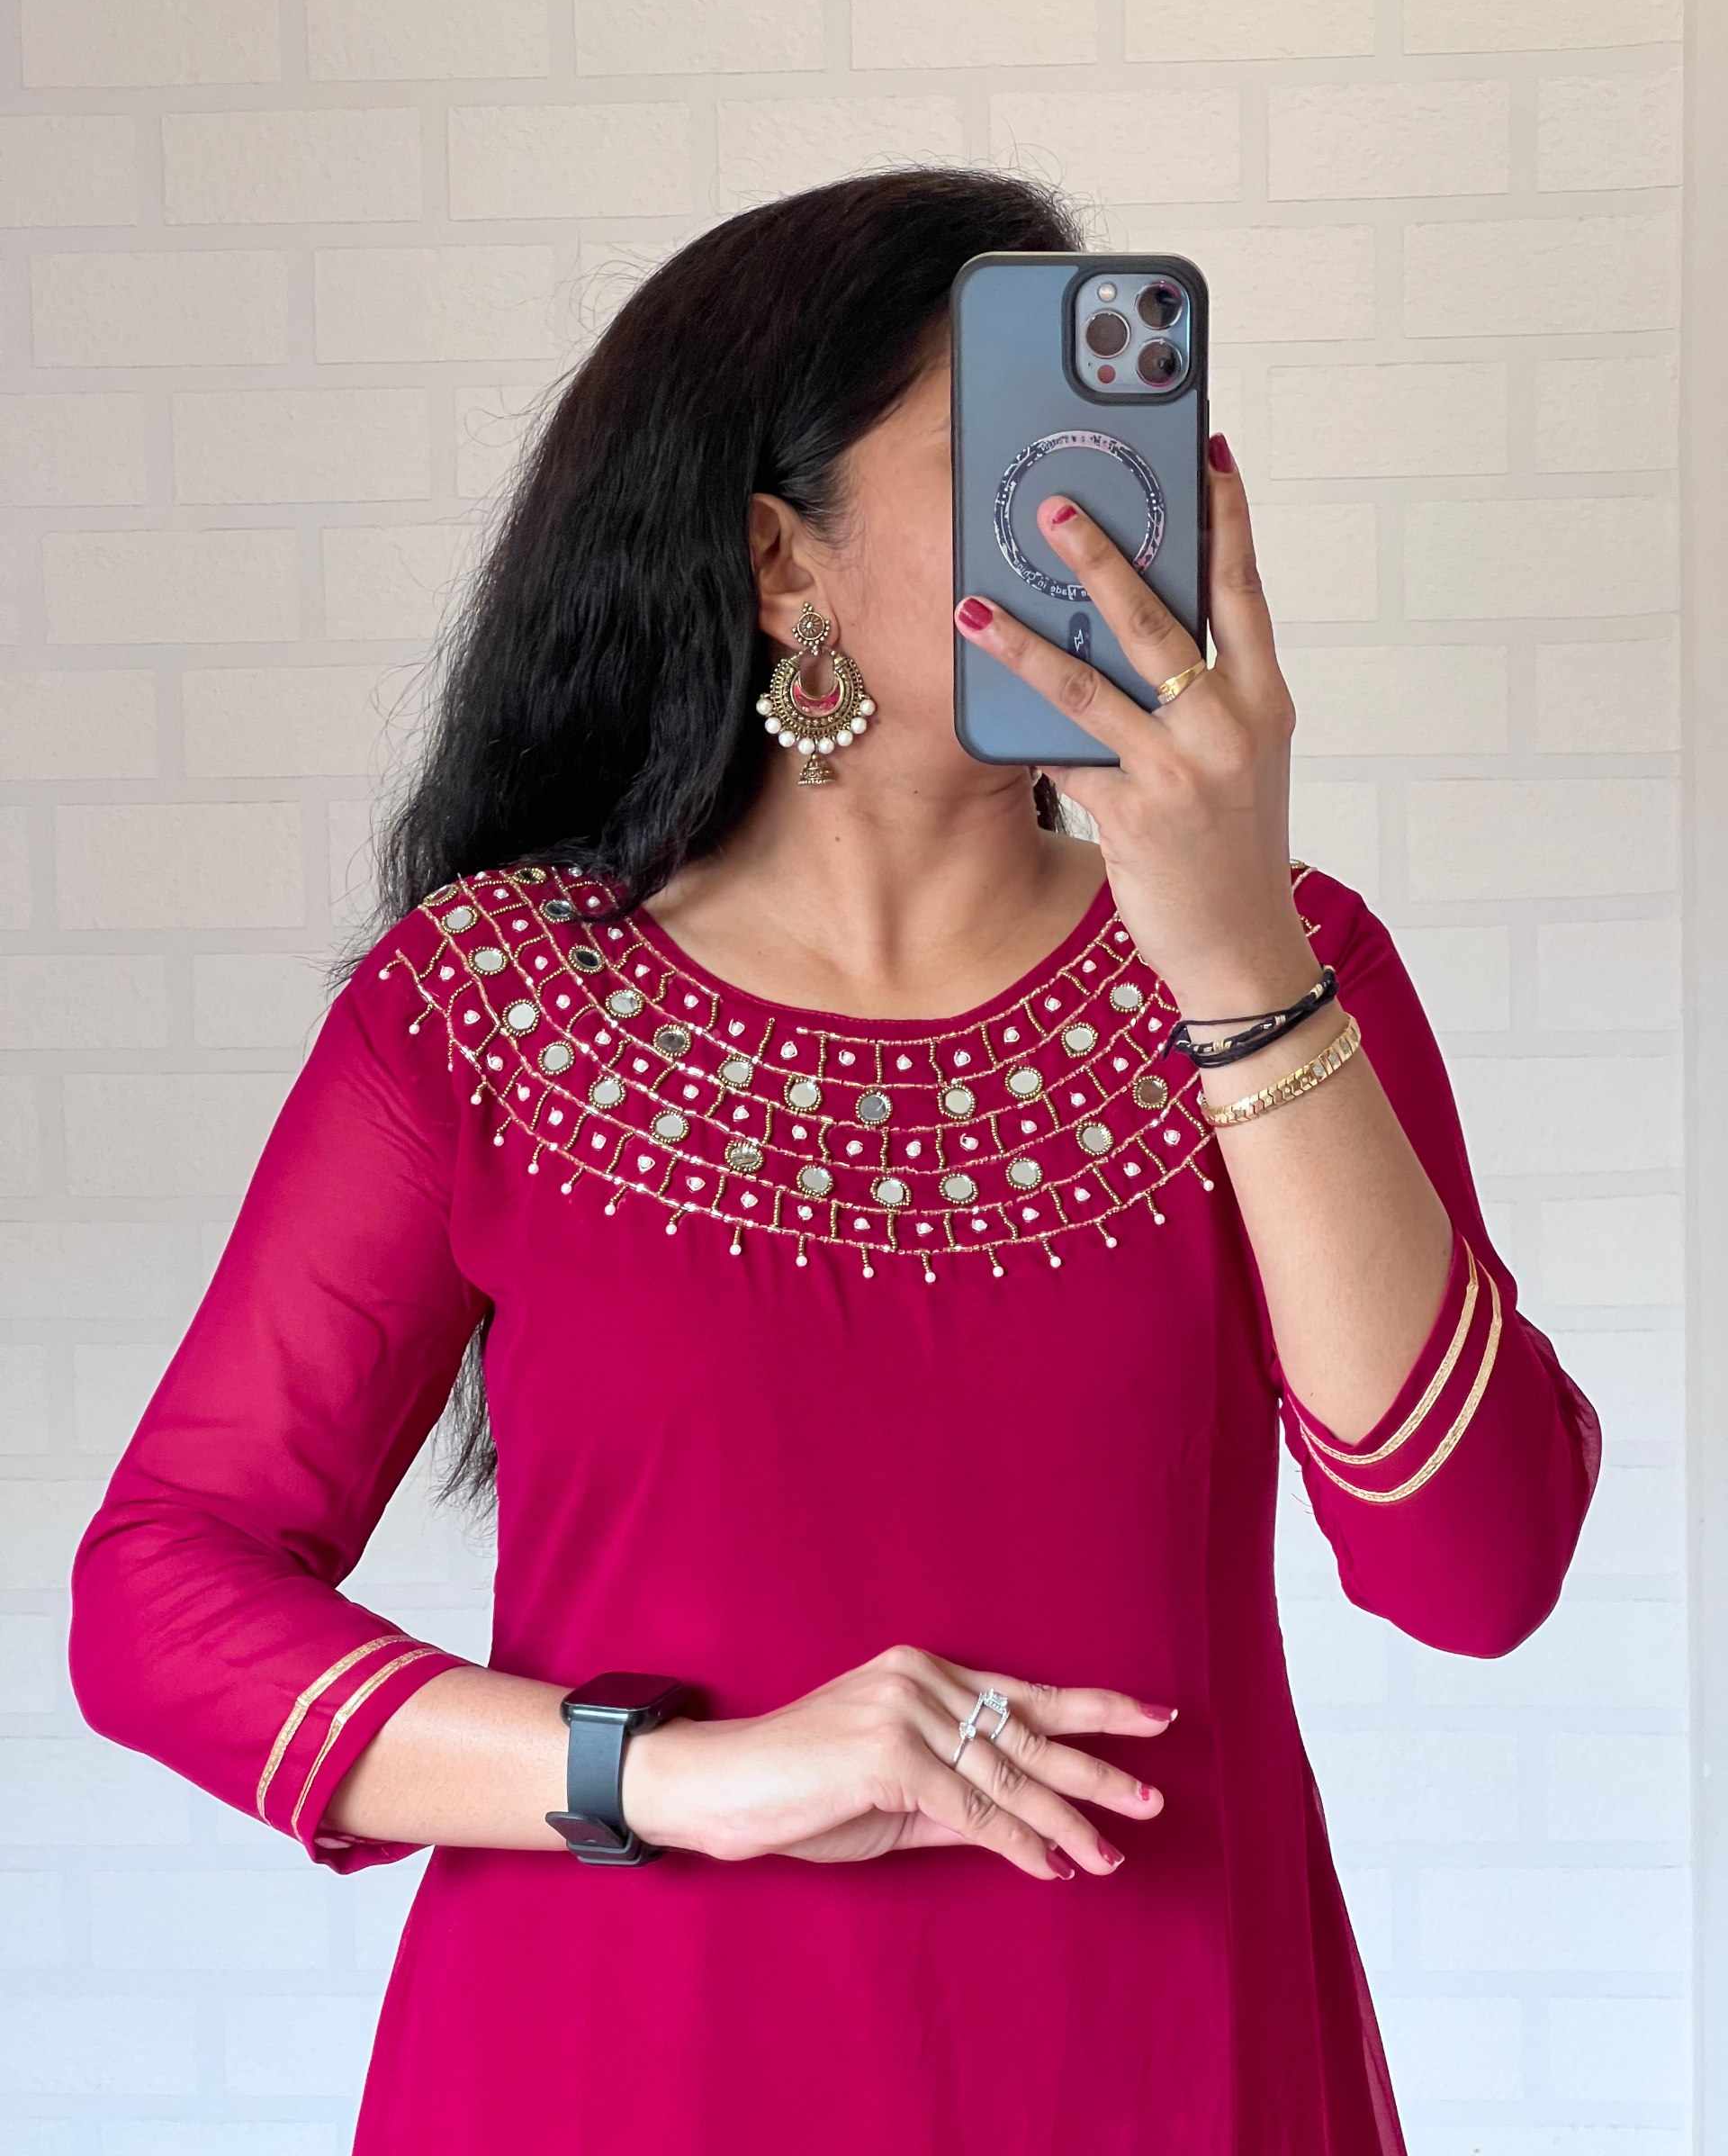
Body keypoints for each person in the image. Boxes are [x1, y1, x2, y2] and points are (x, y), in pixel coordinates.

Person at [67, 167, 1602, 2155]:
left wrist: (1232, 958)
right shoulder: (494, 1005)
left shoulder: (1290, 974)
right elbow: (160, 1595)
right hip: (619, 2070)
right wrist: (678, 1777)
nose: (1091, 517)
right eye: (1011, 459)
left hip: (1156, 2066)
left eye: (1119, 457)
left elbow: (1477, 1568)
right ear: (783, 561)